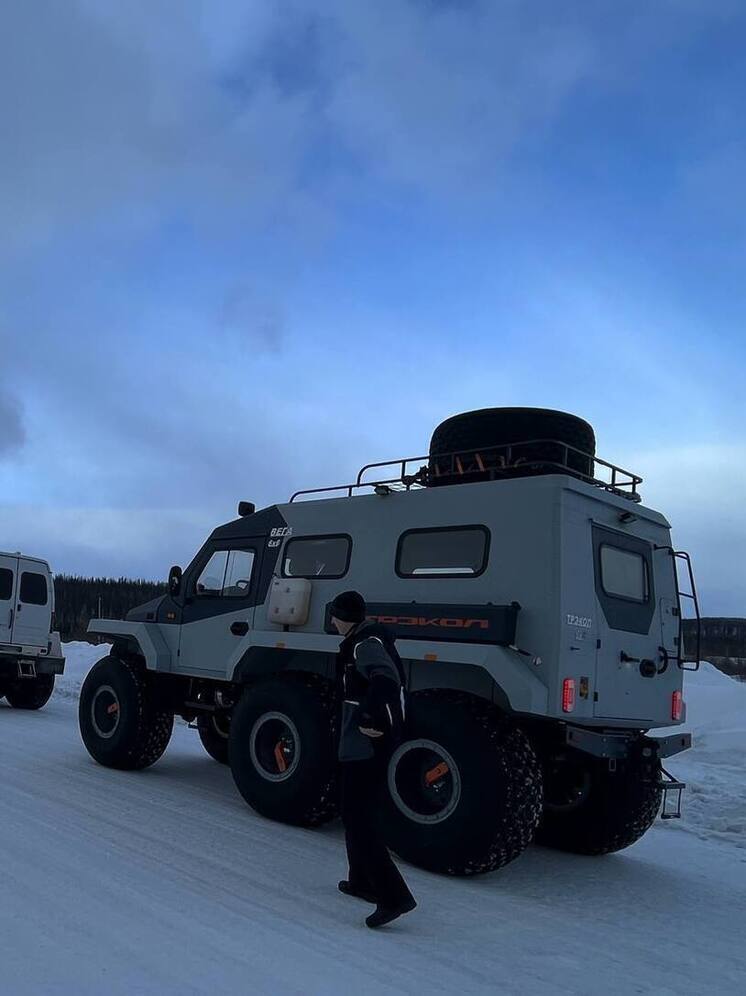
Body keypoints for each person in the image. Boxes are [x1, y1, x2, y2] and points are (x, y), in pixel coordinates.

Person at [329, 590, 416, 929]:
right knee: (352, 811)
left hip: (366, 742)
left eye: (335, 615)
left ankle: (394, 896)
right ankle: (361, 881)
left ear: (344, 617)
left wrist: (370, 716)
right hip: (361, 741)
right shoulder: (364, 638)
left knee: (358, 817)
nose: (332, 621)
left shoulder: (364, 644)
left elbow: (386, 679)